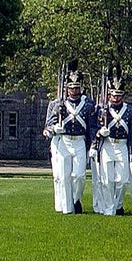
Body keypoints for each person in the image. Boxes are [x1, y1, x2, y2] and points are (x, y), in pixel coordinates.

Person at [44, 69, 95, 214]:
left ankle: (76, 199)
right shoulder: (58, 104)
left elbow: (91, 128)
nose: (74, 90)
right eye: (71, 87)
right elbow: (48, 125)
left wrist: (93, 145)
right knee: (64, 177)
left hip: (79, 142)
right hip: (64, 141)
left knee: (79, 176)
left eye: (76, 87)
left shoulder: (87, 105)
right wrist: (55, 128)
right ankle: (68, 209)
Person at [93, 80, 132, 215]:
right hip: (108, 145)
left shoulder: (129, 111)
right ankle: (109, 208)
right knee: (106, 180)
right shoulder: (101, 111)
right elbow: (93, 128)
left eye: (118, 95)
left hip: (122, 145)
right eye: (113, 95)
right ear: (109, 95)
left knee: (122, 180)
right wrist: (100, 133)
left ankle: (118, 204)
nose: (116, 98)